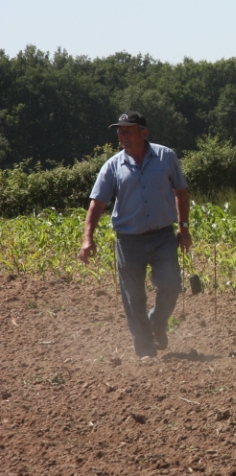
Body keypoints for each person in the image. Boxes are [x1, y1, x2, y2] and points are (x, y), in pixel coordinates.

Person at [78, 111, 192, 359]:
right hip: (128, 240)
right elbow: (97, 203)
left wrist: (183, 228)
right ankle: (145, 350)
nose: (122, 136)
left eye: (128, 130)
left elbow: (181, 192)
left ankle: (156, 323)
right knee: (134, 297)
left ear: (144, 132)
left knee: (172, 285)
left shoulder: (166, 156)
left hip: (163, 236)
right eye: (120, 131)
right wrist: (88, 238)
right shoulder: (112, 165)